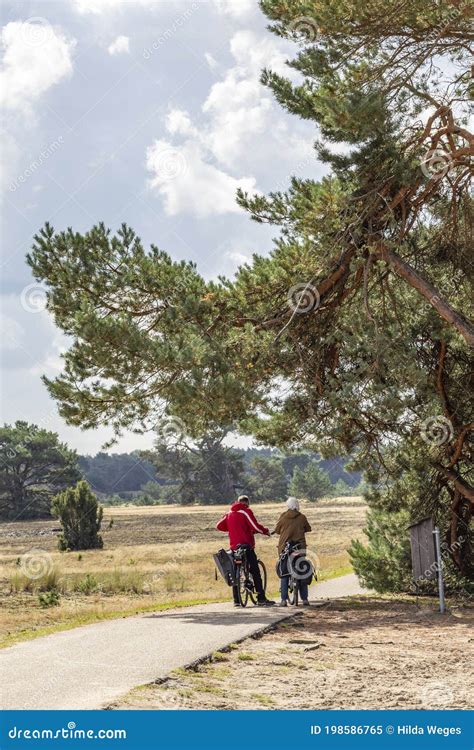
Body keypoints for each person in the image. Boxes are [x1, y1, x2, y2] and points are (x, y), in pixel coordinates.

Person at [216, 495, 275, 607]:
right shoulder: (245, 511)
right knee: (255, 571)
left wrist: (232, 528)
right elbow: (255, 526)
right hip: (246, 546)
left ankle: (236, 600)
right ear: (246, 503)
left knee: (235, 572)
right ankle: (261, 598)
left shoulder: (229, 513)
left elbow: (219, 526)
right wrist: (265, 531)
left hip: (234, 548)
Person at [273, 497, 312, 607]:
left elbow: (277, 530)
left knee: (284, 573)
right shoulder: (302, 517)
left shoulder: (283, 516)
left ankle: (283, 600)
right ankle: (304, 599)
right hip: (299, 547)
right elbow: (308, 528)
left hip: (285, 547)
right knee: (302, 571)